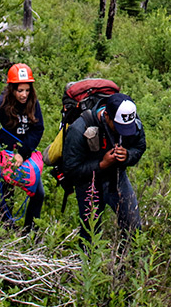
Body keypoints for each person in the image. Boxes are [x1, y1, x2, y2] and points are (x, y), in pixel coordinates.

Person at [63, 92, 146, 239]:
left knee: (134, 228)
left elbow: (139, 146)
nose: (124, 131)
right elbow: (71, 170)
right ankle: (88, 260)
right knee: (90, 232)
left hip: (117, 178)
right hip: (88, 184)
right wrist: (101, 164)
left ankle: (126, 260)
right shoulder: (79, 129)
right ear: (106, 115)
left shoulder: (130, 120)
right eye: (118, 127)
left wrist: (127, 155)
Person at [0, 63, 45, 230]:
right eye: (20, 90)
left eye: (27, 90)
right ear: (12, 88)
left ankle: (30, 232)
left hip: (23, 155)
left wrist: (22, 153)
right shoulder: (0, 104)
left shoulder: (33, 103)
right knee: (7, 193)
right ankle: (4, 231)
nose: (24, 94)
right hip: (3, 155)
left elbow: (37, 129)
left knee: (38, 193)